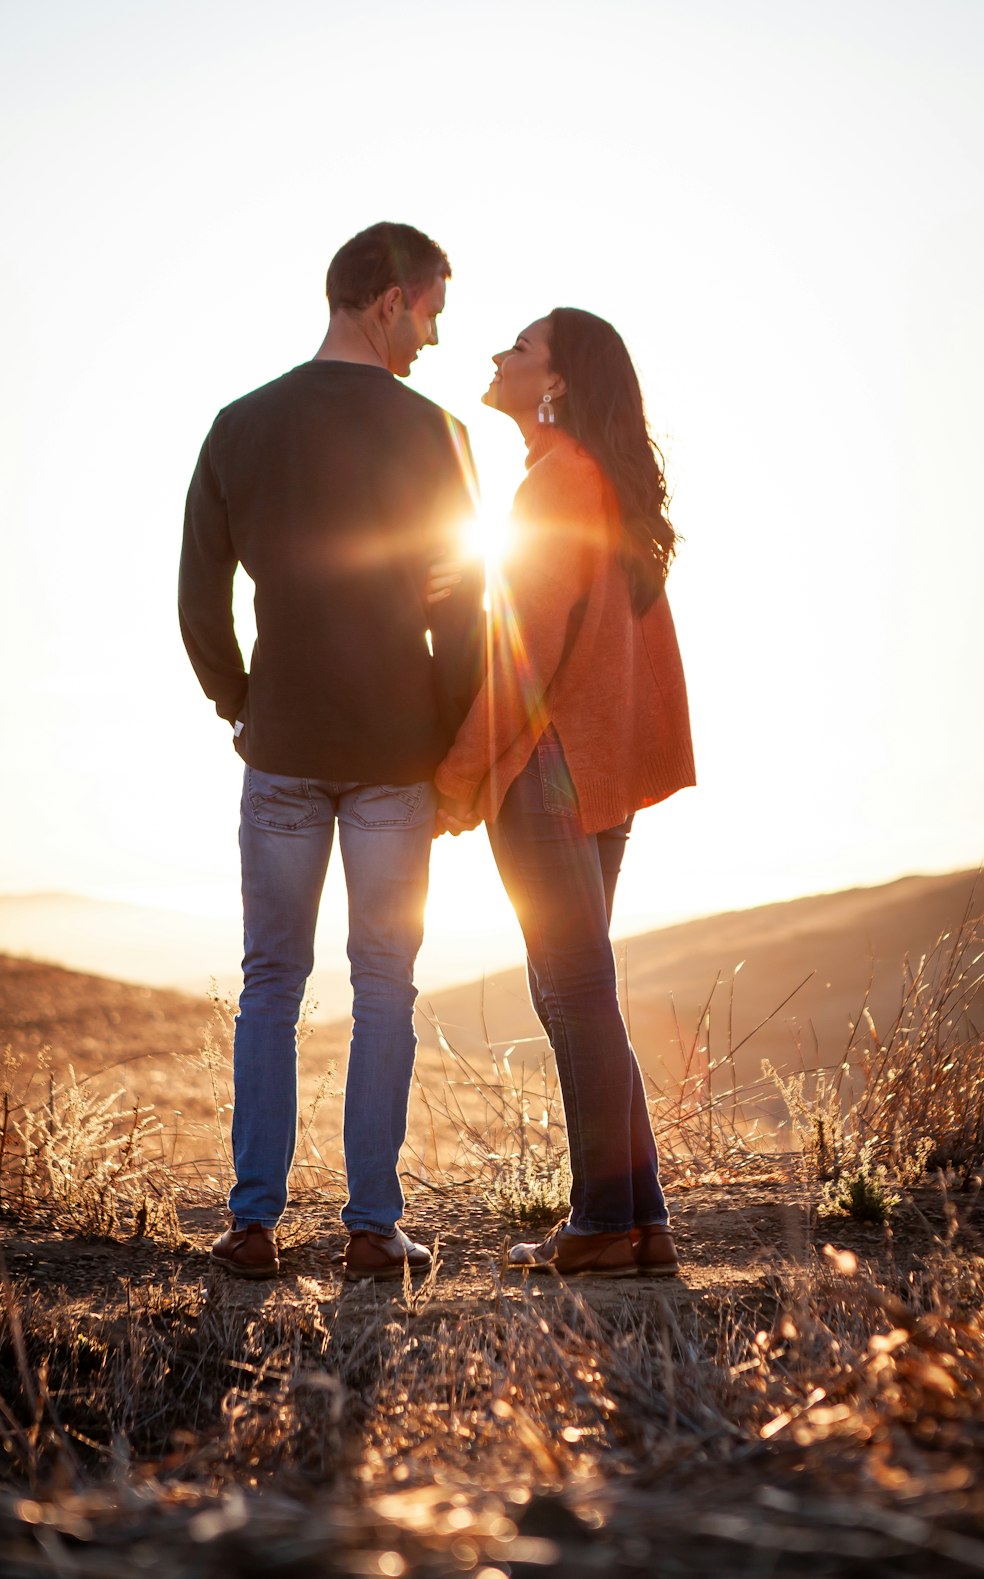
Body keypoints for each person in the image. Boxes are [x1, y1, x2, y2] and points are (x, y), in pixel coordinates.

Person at [179, 222, 483, 1281]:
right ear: (387, 297)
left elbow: (197, 597)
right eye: (432, 309)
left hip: (284, 747)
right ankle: (369, 1228)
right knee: (385, 986)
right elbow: (463, 605)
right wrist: (450, 741)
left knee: (272, 980)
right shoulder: (438, 432)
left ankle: (252, 1224)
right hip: (399, 754)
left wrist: (240, 704)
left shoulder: (239, 426)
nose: (435, 337)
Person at [434, 307, 695, 1277]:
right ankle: (639, 1220)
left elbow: (524, 660)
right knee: (585, 996)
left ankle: (598, 1225)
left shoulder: (555, 485)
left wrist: (457, 781)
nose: (499, 353)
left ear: (555, 384)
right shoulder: (598, 486)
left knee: (575, 995)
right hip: (598, 776)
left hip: (547, 774)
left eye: (522, 345)